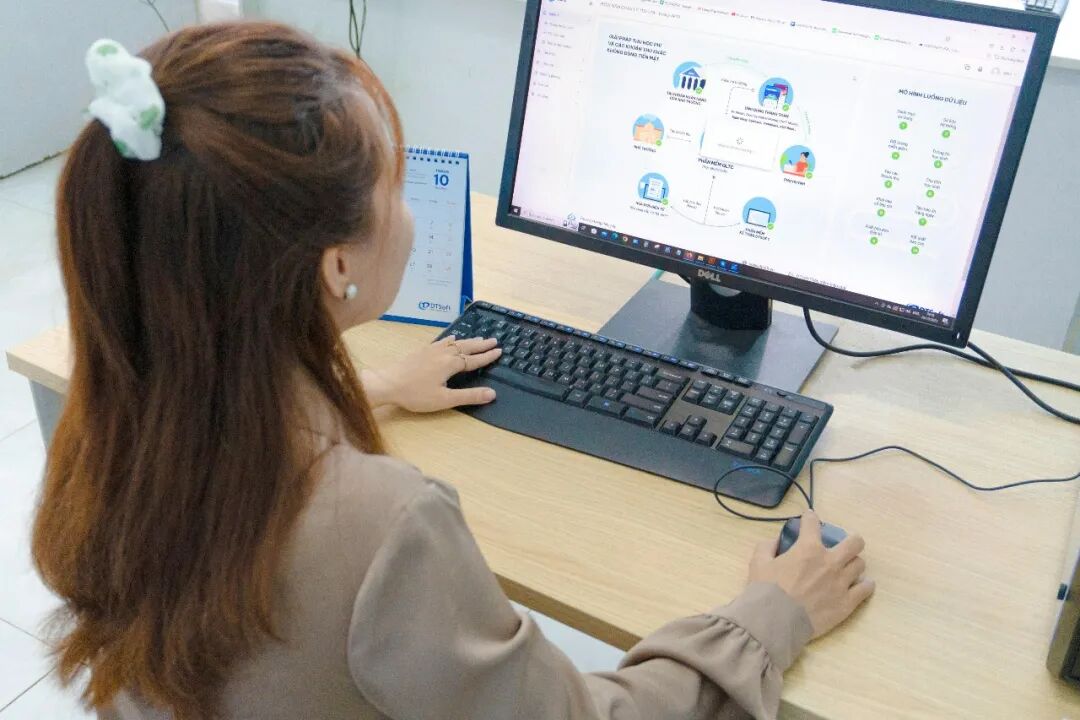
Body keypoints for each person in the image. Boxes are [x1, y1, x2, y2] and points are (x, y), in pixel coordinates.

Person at [31, 22, 873, 720]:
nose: (407, 213)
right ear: (336, 268)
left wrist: (376, 388)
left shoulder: (116, 432)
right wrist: (770, 616)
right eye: (392, 186)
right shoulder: (382, 522)